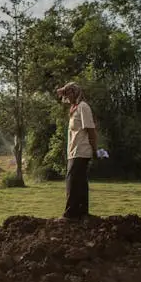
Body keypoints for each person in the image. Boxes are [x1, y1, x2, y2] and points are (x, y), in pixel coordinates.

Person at [56, 82, 97, 220]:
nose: (68, 96)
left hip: (81, 150)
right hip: (74, 151)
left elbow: (91, 130)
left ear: (76, 93)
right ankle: (82, 213)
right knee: (79, 182)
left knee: (72, 182)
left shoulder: (83, 107)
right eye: (66, 94)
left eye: (70, 93)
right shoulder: (74, 109)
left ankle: (70, 214)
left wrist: (95, 149)